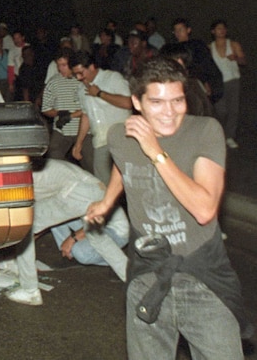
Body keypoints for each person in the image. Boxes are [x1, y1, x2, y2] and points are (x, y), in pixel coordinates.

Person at [86, 56, 252, 359]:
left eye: (177, 101)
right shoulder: (119, 136)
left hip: (202, 278)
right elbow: (123, 167)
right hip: (147, 274)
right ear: (137, 102)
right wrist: (108, 200)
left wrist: (155, 151)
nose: (169, 112)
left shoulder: (205, 131)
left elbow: (204, 209)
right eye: (157, 102)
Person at [6, 158, 128, 306]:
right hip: (93, 188)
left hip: (76, 191)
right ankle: (132, 277)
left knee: (26, 225)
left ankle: (30, 290)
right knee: (99, 240)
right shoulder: (25, 165)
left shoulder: (13, 176)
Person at [69, 51, 133, 184]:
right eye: (76, 74)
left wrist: (100, 94)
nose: (79, 77)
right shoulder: (81, 89)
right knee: (103, 182)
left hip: (122, 138)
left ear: (91, 67)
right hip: (100, 141)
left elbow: (128, 103)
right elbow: (86, 116)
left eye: (81, 73)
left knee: (128, 180)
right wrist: (78, 143)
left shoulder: (113, 78)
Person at [41, 48, 84, 165]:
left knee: (90, 163)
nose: (61, 69)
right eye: (58, 65)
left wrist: (71, 115)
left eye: (64, 65)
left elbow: (89, 107)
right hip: (61, 129)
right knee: (53, 160)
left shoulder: (81, 80)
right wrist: (59, 113)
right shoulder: (53, 82)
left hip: (82, 130)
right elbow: (45, 109)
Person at [209, 19, 246, 148]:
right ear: (213, 31)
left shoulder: (233, 44)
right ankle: (221, 133)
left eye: (223, 28)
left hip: (233, 80)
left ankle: (229, 136)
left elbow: (243, 61)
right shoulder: (210, 47)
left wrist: (236, 58)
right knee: (221, 110)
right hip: (218, 83)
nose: (222, 30)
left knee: (233, 110)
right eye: (218, 28)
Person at [172, 18, 224, 103]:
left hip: (198, 83)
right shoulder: (172, 48)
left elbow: (206, 64)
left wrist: (205, 81)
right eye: (175, 30)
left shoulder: (197, 45)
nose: (178, 33)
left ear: (188, 30)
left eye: (180, 29)